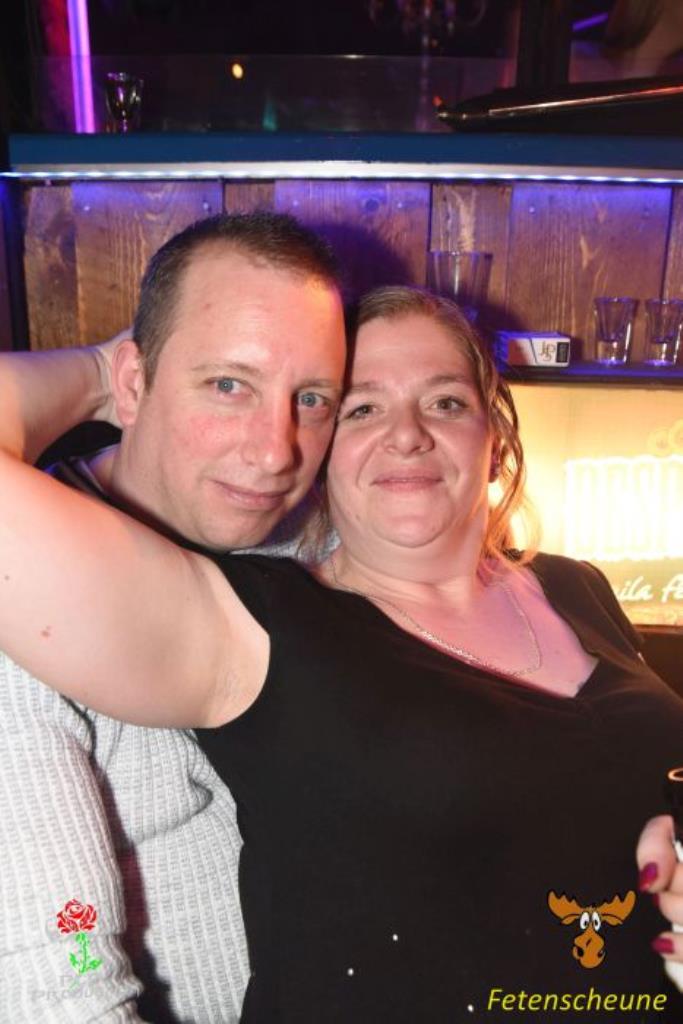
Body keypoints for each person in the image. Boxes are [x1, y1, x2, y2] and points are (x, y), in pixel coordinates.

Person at [2, 284, 683, 1022]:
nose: (408, 434)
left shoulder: (575, 586)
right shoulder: (256, 624)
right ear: (317, 452)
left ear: (494, 436)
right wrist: (104, 373)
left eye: (445, 402)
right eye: (360, 409)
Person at [0, 211, 346, 1022]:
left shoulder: (317, 545)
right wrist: (93, 368)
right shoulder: (19, 595)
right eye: (228, 385)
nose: (275, 451)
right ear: (133, 384)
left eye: (311, 398)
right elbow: (61, 980)